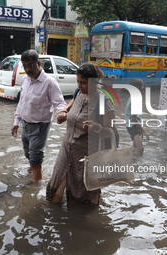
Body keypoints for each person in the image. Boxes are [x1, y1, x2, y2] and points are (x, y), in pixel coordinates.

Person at [46, 63, 116, 205]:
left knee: (84, 194)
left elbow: (111, 132)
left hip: (87, 156)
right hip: (67, 149)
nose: (79, 85)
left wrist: (96, 127)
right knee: (56, 186)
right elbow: (70, 105)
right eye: (78, 81)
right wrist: (63, 112)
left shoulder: (104, 102)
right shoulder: (78, 93)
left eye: (83, 83)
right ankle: (53, 219)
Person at [11, 49, 67, 182]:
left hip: (40, 126)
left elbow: (59, 102)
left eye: (31, 65)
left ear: (39, 63)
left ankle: (35, 189)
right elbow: (22, 103)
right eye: (25, 66)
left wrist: (62, 112)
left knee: (36, 158)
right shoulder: (25, 79)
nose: (28, 69)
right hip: (26, 124)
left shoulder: (49, 82)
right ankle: (34, 172)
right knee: (28, 154)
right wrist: (16, 122)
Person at [125, 78, 150, 156]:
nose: (143, 87)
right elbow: (134, 118)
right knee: (140, 148)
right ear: (138, 87)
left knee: (135, 147)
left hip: (132, 125)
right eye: (142, 86)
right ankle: (136, 166)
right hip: (133, 126)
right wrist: (144, 131)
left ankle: (132, 161)